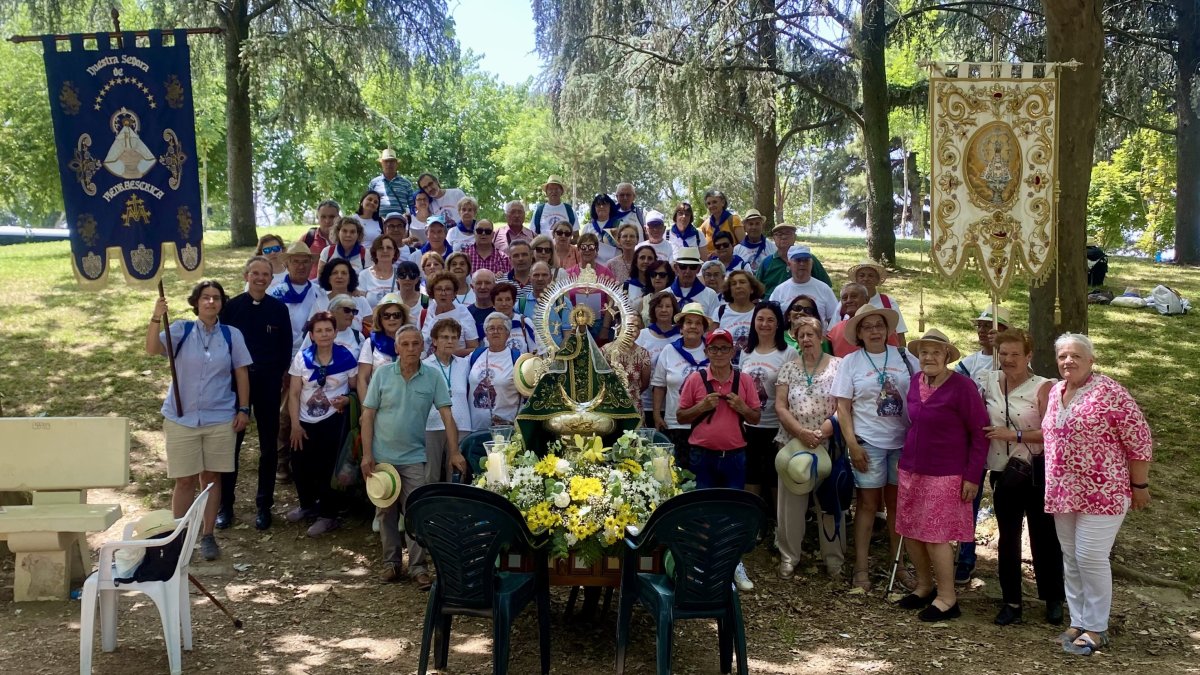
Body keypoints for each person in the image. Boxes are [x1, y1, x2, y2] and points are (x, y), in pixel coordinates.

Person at [1042, 333, 1152, 656]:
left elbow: (1139, 438)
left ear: (1091, 360)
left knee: (1090, 556)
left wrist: (1140, 485)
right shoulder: (1055, 392)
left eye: (1076, 356)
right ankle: (1078, 620)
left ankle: (1097, 628)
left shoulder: (1110, 392)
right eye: (1063, 356)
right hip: (1064, 490)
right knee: (1071, 557)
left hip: (1104, 490)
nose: (1068, 361)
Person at [146, 281, 252, 561]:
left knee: (211, 478)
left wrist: (244, 409)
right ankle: (176, 537)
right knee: (184, 480)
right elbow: (152, 348)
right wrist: (156, 316)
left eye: (216, 298)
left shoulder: (232, 335)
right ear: (196, 302)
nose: (211, 302)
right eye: (205, 298)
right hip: (181, 417)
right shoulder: (181, 329)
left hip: (219, 416)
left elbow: (241, 373)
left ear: (221, 303)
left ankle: (207, 535)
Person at [360, 324, 468, 587]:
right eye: (405, 344)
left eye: (415, 344)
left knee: (416, 512)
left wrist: (454, 452)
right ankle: (391, 564)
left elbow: (447, 416)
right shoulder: (382, 375)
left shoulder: (432, 377)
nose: (410, 349)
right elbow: (368, 416)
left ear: (423, 347)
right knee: (385, 513)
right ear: (396, 348)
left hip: (414, 457)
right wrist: (366, 455)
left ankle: (419, 568)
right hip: (383, 458)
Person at [894, 329, 988, 622]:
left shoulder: (963, 387)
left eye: (936, 352)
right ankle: (924, 586)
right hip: (911, 467)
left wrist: (972, 476)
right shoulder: (914, 381)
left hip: (947, 472)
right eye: (924, 352)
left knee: (936, 535)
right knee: (909, 530)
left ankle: (948, 598)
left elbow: (980, 434)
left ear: (947, 356)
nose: (929, 357)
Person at [830, 305, 918, 592]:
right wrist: (852, 445)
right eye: (868, 327)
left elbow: (926, 390)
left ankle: (899, 564)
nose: (875, 331)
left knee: (896, 506)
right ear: (859, 333)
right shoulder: (851, 362)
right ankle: (861, 567)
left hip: (903, 443)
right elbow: (842, 408)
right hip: (868, 441)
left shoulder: (905, 358)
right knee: (867, 505)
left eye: (879, 325)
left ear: (888, 329)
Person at [982, 329, 1064, 627]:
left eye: (1016, 354)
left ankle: (1054, 599)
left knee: (1045, 537)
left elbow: (1050, 433)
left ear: (1029, 356)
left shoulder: (1043, 387)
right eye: (1003, 353)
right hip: (1003, 471)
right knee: (1008, 539)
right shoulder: (989, 380)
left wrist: (1013, 434)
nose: (1008, 359)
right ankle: (1011, 602)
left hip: (1036, 471)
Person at [676, 327, 760, 591]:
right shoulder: (695, 379)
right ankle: (703, 564)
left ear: (733, 351)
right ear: (707, 351)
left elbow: (755, 417)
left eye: (725, 348)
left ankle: (731, 564)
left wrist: (741, 407)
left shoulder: (743, 380)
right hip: (703, 455)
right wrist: (701, 407)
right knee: (702, 510)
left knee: (732, 512)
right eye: (714, 348)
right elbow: (680, 416)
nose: (720, 353)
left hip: (735, 455)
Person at [220, 257, 293, 531]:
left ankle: (264, 505)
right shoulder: (231, 308)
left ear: (271, 278)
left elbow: (285, 346)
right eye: (255, 273)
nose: (260, 278)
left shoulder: (278, 309)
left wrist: (278, 375)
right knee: (231, 447)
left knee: (267, 447)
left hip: (267, 383)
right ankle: (226, 505)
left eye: (265, 274)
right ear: (246, 275)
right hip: (235, 385)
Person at [774, 316, 843, 579]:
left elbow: (845, 405)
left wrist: (824, 430)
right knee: (790, 504)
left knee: (829, 503)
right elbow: (780, 406)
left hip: (829, 443)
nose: (806, 339)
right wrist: (801, 433)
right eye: (800, 335)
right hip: (794, 442)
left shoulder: (838, 366)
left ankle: (834, 560)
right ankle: (789, 556)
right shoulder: (789, 368)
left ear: (821, 337)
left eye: (810, 334)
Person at [952, 304, 1011, 584]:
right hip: (972, 440)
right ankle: (965, 557)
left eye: (992, 327)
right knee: (968, 500)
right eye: (981, 327)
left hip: (1006, 442)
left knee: (1007, 505)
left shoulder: (1013, 363)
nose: (985, 332)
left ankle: (1008, 563)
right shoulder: (969, 363)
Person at [287, 312, 357, 537]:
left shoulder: (346, 357)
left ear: (335, 332)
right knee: (299, 464)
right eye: (319, 331)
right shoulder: (302, 358)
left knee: (328, 468)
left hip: (333, 421)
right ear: (312, 335)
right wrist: (295, 425)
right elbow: (294, 393)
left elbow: (355, 389)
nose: (324, 334)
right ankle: (307, 505)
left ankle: (328, 516)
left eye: (328, 330)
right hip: (305, 422)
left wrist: (347, 400)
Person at [739, 301, 797, 510]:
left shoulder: (788, 352)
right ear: (754, 321)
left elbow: (793, 392)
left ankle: (780, 526)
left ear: (778, 324)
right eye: (760, 319)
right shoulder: (746, 352)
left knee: (776, 474)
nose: (765, 324)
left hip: (777, 425)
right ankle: (751, 519)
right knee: (751, 471)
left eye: (771, 320)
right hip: (750, 424)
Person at [651, 302, 712, 469]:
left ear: (703, 328)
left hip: (707, 423)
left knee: (702, 473)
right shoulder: (669, 351)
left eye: (698, 323)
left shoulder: (713, 351)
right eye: (689, 322)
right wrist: (657, 414)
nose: (693, 326)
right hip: (676, 423)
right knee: (678, 472)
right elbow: (659, 385)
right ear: (681, 327)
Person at [422, 319, 473, 484]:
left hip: (462, 424)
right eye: (444, 337)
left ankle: (454, 508)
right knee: (431, 475)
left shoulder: (464, 364)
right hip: (432, 425)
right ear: (435, 341)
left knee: (457, 474)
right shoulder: (424, 365)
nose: (450, 341)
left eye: (454, 337)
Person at [467, 313, 524, 430]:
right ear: (486, 334)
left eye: (500, 328)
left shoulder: (517, 359)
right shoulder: (475, 356)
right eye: (491, 328)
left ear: (508, 334)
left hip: (506, 428)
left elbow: (526, 395)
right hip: (475, 428)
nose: (495, 331)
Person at [637, 291, 682, 426]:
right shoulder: (643, 335)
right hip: (647, 402)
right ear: (653, 309)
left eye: (668, 306)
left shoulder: (680, 337)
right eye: (659, 306)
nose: (664, 310)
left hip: (673, 404)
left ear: (674, 309)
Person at [768, 245, 839, 330]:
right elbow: (770, 317)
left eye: (806, 261)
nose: (802, 264)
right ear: (789, 264)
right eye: (798, 261)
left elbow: (835, 320)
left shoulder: (824, 289)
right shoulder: (780, 290)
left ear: (811, 263)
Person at [756, 224, 833, 295]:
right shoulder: (767, 262)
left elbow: (826, 286)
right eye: (779, 234)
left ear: (795, 237)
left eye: (788, 233)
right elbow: (755, 288)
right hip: (771, 306)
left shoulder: (808, 259)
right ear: (774, 238)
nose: (783, 237)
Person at [827, 283, 899, 357]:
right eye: (844, 298)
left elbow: (895, 356)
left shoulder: (881, 329)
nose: (849, 300)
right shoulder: (834, 331)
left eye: (854, 296)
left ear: (867, 299)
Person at [356, 294, 406, 399]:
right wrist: (365, 410)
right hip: (377, 404)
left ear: (403, 318)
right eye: (386, 316)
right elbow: (362, 379)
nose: (391, 319)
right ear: (380, 319)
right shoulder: (370, 343)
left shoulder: (412, 342)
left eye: (396, 315)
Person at [601, 314, 652, 417]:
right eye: (629, 325)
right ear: (619, 326)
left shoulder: (643, 354)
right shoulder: (605, 351)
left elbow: (644, 384)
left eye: (637, 327)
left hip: (634, 408)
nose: (633, 330)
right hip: (610, 408)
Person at [848, 259, 908, 344]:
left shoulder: (889, 302)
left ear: (877, 280)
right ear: (856, 280)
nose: (866, 279)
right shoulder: (847, 303)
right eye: (861, 275)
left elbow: (900, 334)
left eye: (871, 276)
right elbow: (833, 332)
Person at [419, 272, 478, 356]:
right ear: (432, 292)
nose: (443, 293)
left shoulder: (463, 313)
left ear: (454, 293)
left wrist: (449, 354)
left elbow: (474, 348)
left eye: (448, 289)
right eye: (439, 289)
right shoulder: (426, 313)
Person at [956, 305, 1011, 389]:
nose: (981, 330)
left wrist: (1000, 347)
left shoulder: (1016, 359)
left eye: (987, 326)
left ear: (1004, 331)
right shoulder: (968, 364)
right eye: (979, 325)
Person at [311, 258, 372, 331]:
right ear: (328, 278)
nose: (339, 276)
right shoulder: (319, 302)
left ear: (350, 278)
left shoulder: (361, 301)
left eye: (344, 273)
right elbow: (312, 329)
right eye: (335, 273)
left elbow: (370, 329)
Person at [716, 270, 765, 356]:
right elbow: (711, 341)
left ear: (752, 289)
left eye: (742, 282)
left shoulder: (761, 311)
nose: (738, 286)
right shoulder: (720, 311)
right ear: (730, 290)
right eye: (734, 284)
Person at [671, 247, 720, 316]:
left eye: (692, 267)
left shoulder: (710, 295)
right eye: (683, 266)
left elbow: (715, 324)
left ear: (698, 269)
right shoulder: (666, 294)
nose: (687, 271)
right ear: (676, 268)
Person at [491, 282, 536, 353]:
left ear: (514, 302)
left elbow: (535, 352)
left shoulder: (525, 322)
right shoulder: (488, 325)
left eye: (508, 299)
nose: (504, 304)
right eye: (499, 300)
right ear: (493, 303)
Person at [368, 148, 414, 216]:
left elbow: (412, 205)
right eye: (386, 161)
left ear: (396, 164)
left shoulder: (406, 184)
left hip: (400, 224)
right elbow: (368, 205)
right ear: (382, 163)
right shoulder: (374, 183)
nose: (389, 164)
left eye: (392, 161)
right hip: (378, 223)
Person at [698, 190, 743, 258]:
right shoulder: (706, 224)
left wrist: (721, 252)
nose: (711, 206)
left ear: (723, 203)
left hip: (731, 262)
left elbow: (744, 246)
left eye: (714, 202)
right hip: (711, 265)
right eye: (708, 203)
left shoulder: (734, 220)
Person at [359, 235, 399, 308]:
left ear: (394, 252)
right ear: (375, 252)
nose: (385, 251)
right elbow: (360, 305)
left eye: (389, 248)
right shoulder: (364, 275)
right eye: (381, 248)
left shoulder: (401, 274)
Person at [303, 200, 340, 277]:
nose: (327, 221)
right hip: (313, 285)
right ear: (317, 218)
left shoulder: (346, 238)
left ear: (338, 217)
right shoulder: (309, 237)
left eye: (332, 217)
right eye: (323, 217)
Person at [733, 209, 776, 273]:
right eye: (751, 224)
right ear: (745, 228)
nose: (754, 227)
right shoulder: (737, 250)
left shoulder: (773, 247)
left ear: (762, 226)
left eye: (757, 223)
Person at [584, 192, 621, 262]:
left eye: (604, 204)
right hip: (593, 265)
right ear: (594, 208)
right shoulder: (588, 227)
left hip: (614, 264)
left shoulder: (619, 225)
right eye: (598, 205)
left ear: (610, 206)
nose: (601, 207)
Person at [639, 259, 675, 325]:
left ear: (668, 278)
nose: (657, 277)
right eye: (653, 274)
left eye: (662, 275)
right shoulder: (643, 301)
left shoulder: (675, 299)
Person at [466, 268, 498, 337]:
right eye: (479, 283)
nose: (483, 287)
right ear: (472, 287)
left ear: (495, 286)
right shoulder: (466, 314)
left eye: (487, 283)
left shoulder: (502, 311)